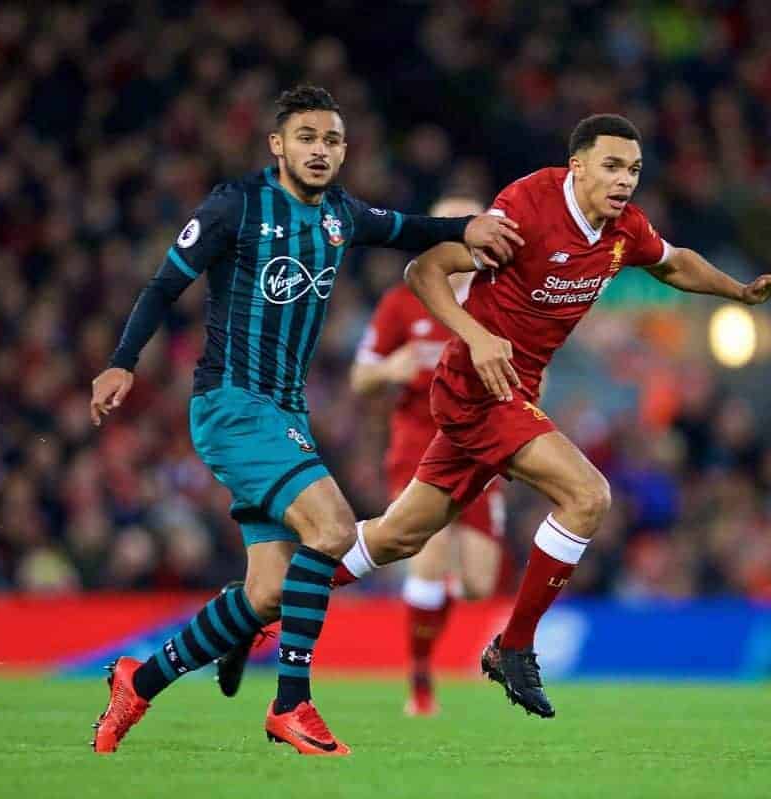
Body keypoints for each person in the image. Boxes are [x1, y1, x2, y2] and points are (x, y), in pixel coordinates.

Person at [86, 85, 522, 755]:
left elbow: (407, 228)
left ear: (344, 151)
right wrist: (122, 361)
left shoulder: (341, 216)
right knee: (333, 527)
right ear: (278, 144)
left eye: (332, 141)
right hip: (233, 403)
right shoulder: (236, 204)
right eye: (308, 137)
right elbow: (164, 284)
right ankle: (292, 703)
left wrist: (466, 230)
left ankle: (136, 681)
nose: (320, 150)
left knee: (266, 594)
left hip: (284, 411)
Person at [335, 113, 771, 718]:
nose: (625, 180)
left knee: (398, 535)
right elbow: (422, 271)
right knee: (587, 496)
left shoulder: (623, 228)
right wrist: (475, 336)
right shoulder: (523, 210)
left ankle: (265, 602)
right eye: (611, 166)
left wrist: (739, 291)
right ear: (576, 166)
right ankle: (514, 648)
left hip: (514, 390)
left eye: (633, 169)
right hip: (476, 388)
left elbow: (673, 261)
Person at [346, 194, 507, 717]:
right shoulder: (404, 301)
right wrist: (390, 369)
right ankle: (419, 681)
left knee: (481, 584)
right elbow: (360, 376)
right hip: (419, 446)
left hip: (482, 450)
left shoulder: (500, 295)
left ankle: (428, 613)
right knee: (431, 557)